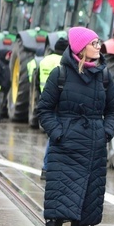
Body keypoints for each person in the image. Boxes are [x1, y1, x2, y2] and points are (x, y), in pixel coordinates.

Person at [36, 26, 114, 226]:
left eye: (99, 42)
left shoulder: (104, 76)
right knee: (58, 204)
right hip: (65, 150)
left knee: (84, 206)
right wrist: (59, 133)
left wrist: (105, 132)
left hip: (93, 150)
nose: (99, 46)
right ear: (80, 47)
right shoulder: (59, 74)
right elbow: (44, 109)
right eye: (94, 43)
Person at [38, 36, 69, 180]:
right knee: (55, 138)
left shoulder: (44, 61)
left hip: (46, 102)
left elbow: (37, 81)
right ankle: (48, 167)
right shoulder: (63, 64)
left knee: (51, 136)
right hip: (59, 104)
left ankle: (47, 168)